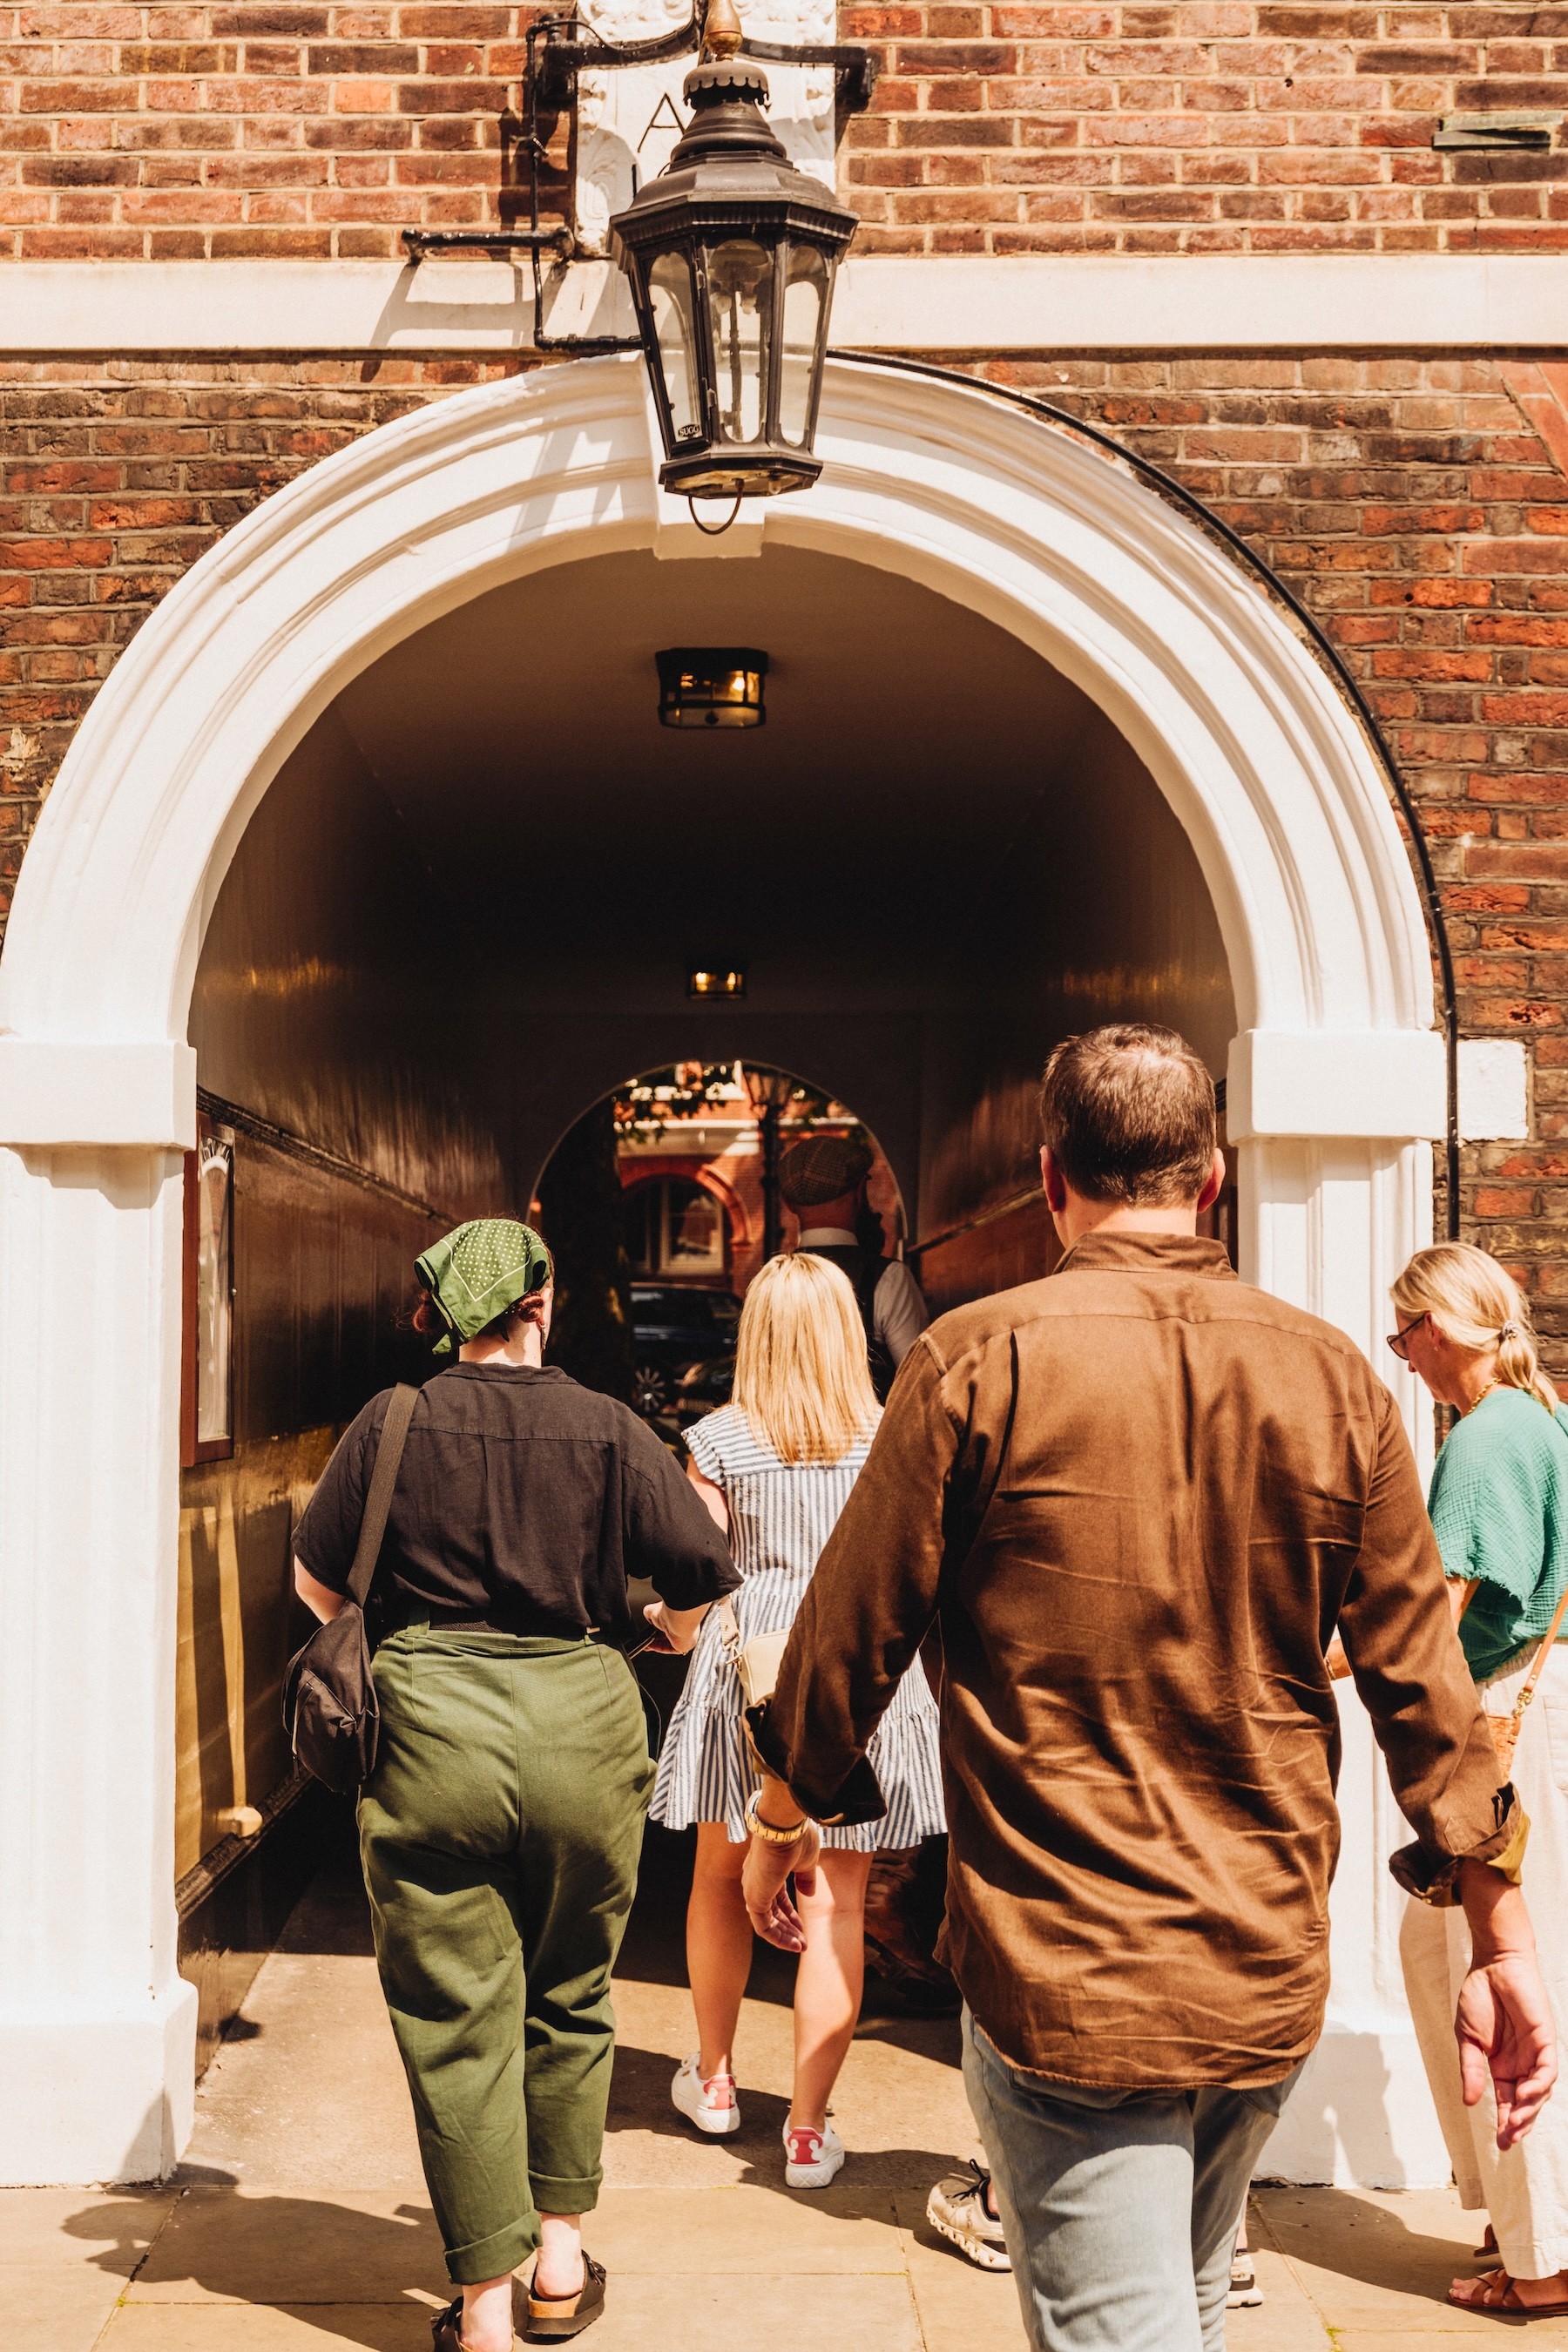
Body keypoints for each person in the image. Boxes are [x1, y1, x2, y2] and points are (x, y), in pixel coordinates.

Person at [738, 1024, 1556, 2352]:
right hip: (1263, 1960)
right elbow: (1426, 1685)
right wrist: (1503, 1934)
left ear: (1051, 1179)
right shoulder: (1339, 1379)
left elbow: (846, 1647)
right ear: (1213, 1179)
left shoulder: (971, 1362)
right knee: (1174, 2310)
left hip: (1067, 1966)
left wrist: (784, 1813)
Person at [292, 1218, 738, 2351]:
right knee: (573, 1992)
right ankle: (559, 2261)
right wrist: (665, 1630)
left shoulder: (391, 1424)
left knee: (457, 2017)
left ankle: (484, 2315)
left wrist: (397, 1641)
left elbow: (313, 1578)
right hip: (582, 1726)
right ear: (538, 1305)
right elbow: (702, 1567)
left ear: (441, 1316)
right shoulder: (606, 1426)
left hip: (432, 1731)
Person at [648, 1251, 945, 2187]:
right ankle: (810, 2131)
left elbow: (697, 1581)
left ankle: (719, 2079)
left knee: (717, 1878)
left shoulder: (719, 1442)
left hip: (747, 1676)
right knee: (838, 1903)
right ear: (848, 1334)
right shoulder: (892, 1432)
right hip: (861, 1675)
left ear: (758, 1336)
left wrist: (667, 1630)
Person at [1385, 1242, 1568, 2319]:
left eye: (1405, 1328)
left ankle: (1540, 2258)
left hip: (1504, 1724)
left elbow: (1435, 1617)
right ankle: (1521, 2219)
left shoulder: (1487, 1437)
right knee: (1442, 1951)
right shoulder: (1538, 1418)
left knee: (1489, 1976)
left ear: (1442, 1326)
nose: (1400, 1350)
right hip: (1536, 1715)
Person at [779, 1132, 927, 1401]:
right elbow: (919, 1384)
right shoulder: (888, 1279)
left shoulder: (770, 1282)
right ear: (859, 1191)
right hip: (869, 1441)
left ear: (788, 1204)